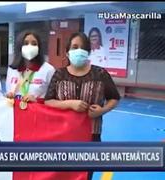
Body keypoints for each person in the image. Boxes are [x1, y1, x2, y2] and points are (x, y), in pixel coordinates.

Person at [44, 32, 120, 180]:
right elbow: (48, 101)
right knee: (62, 174)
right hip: (63, 135)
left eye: (83, 47)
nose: (79, 50)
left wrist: (102, 110)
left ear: (89, 52)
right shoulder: (59, 74)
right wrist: (69, 104)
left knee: (85, 175)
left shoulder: (100, 74)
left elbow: (114, 98)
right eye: (75, 47)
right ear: (67, 52)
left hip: (91, 136)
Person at [6, 30, 55, 108]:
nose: (30, 46)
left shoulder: (48, 70)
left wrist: (37, 101)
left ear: (39, 47)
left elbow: (53, 100)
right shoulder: (12, 69)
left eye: (34, 44)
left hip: (37, 115)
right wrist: (9, 96)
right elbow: (8, 91)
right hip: (16, 114)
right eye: (25, 43)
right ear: (19, 47)